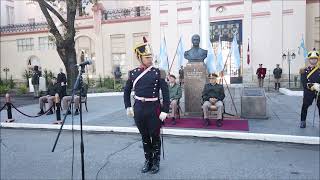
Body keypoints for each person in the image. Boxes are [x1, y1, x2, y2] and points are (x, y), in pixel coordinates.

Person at [123, 37, 169, 174]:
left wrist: (165, 110)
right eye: (147, 57)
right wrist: (128, 106)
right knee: (144, 136)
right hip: (139, 109)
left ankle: (156, 162)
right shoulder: (133, 73)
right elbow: (126, 91)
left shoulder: (158, 72)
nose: (150, 59)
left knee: (154, 136)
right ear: (140, 58)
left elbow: (165, 93)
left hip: (154, 109)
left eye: (151, 56)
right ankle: (148, 160)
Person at [299, 49, 320, 128]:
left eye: (315, 58)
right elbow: (304, 83)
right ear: (309, 60)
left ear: (317, 60)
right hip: (308, 92)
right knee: (305, 106)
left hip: (318, 92)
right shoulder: (304, 71)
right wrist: (313, 86)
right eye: (312, 58)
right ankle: (303, 121)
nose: (313, 60)